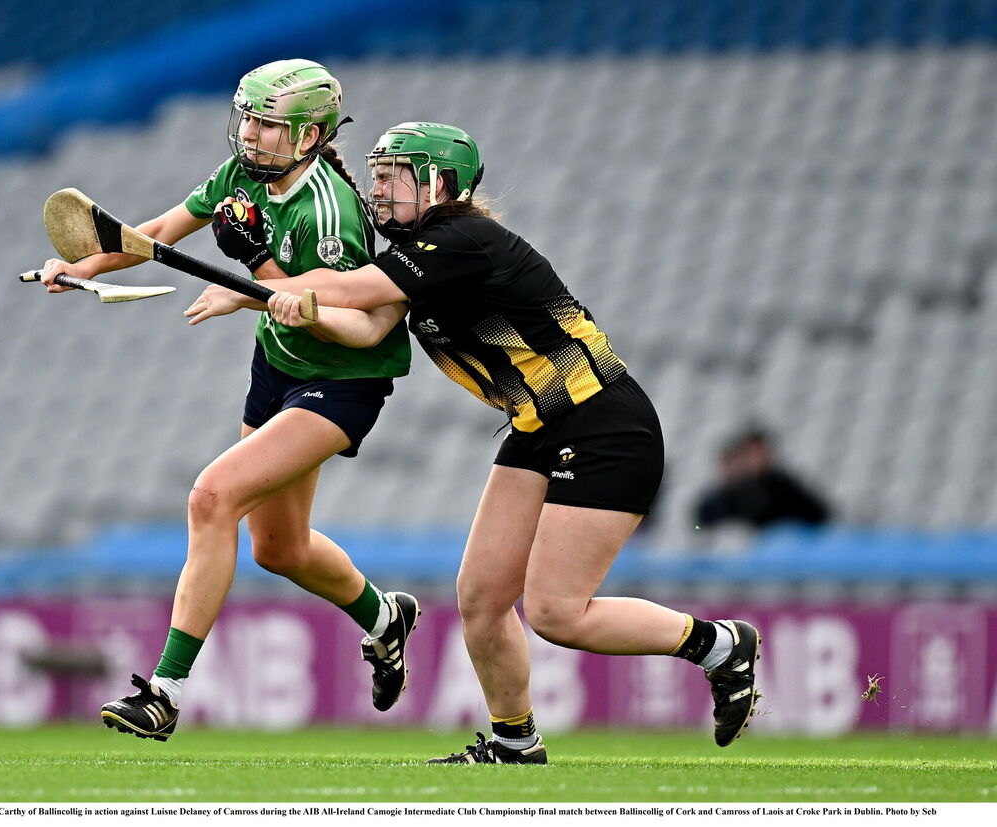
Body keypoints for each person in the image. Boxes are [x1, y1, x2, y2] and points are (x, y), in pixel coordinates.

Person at [187, 122, 763, 759]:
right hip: (535, 427)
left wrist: (255, 284)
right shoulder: (412, 260)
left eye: (391, 177)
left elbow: (350, 290)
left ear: (440, 184)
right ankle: (516, 743)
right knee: (482, 600)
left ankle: (719, 646)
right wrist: (279, 293)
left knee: (556, 612)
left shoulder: (462, 238)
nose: (376, 191)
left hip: (603, 425)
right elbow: (363, 327)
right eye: (375, 175)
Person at [36, 60, 420, 741]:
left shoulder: (327, 212)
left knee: (211, 497)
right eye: (248, 118)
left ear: (308, 136)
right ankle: (385, 617)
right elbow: (153, 235)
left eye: (269, 124)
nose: (251, 133)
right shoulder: (242, 174)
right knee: (279, 548)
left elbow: (314, 304)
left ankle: (165, 691)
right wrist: (82, 266)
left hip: (345, 376)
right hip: (278, 365)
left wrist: (252, 273)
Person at [695, 426, 831, 530]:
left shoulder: (784, 486)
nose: (756, 459)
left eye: (759, 452)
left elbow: (818, 514)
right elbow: (699, 525)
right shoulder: (725, 494)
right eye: (751, 453)